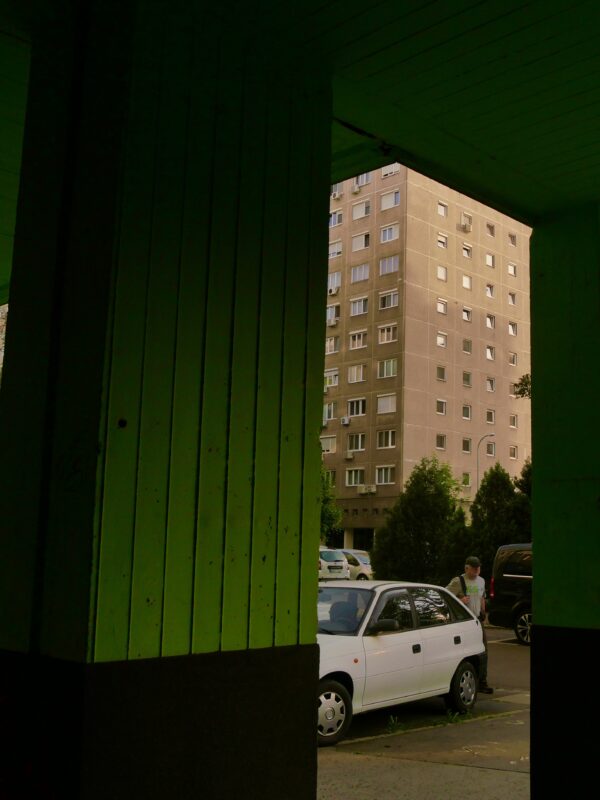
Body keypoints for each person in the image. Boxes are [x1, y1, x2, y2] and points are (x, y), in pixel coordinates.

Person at [446, 556, 494, 693]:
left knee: (483, 650)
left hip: (478, 620)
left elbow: (482, 597)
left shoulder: (481, 581)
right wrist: (460, 600)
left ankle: (482, 681)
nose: (477, 571)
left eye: (478, 568)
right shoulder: (458, 581)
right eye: (474, 569)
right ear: (467, 568)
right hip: (464, 622)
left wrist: (483, 611)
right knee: (466, 652)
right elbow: (445, 596)